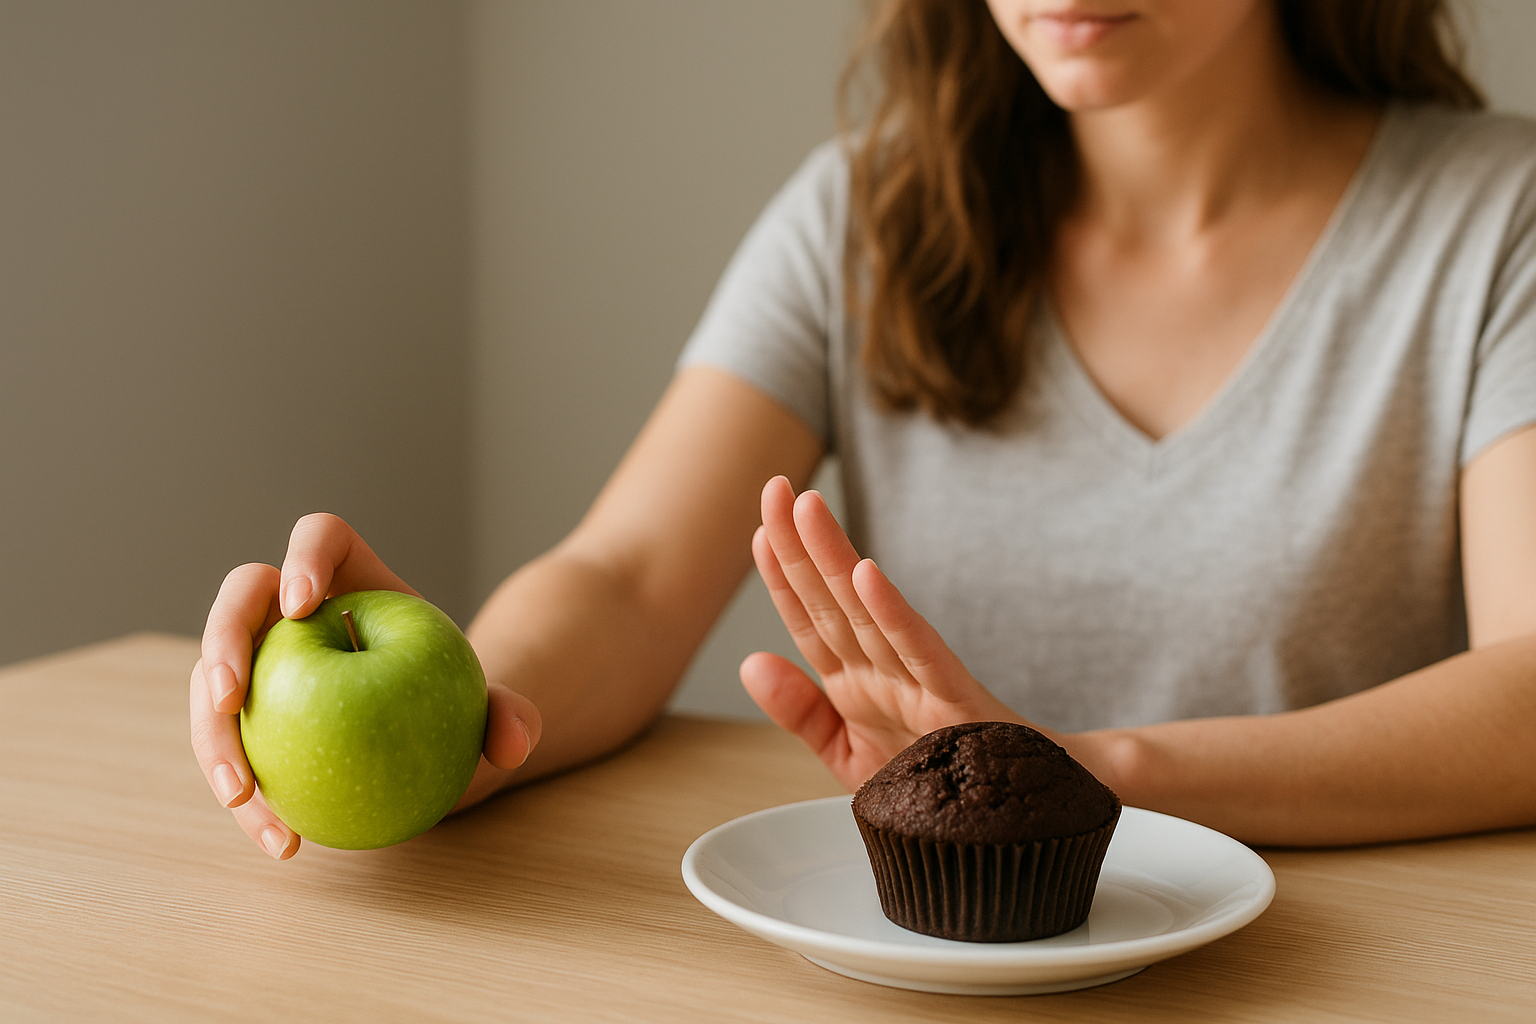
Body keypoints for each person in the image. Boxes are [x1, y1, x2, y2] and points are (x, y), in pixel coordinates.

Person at [190, 0, 1536, 860]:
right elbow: (629, 576)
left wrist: (1085, 773)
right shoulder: (861, 216)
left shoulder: (1497, 220)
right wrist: (448, 724)